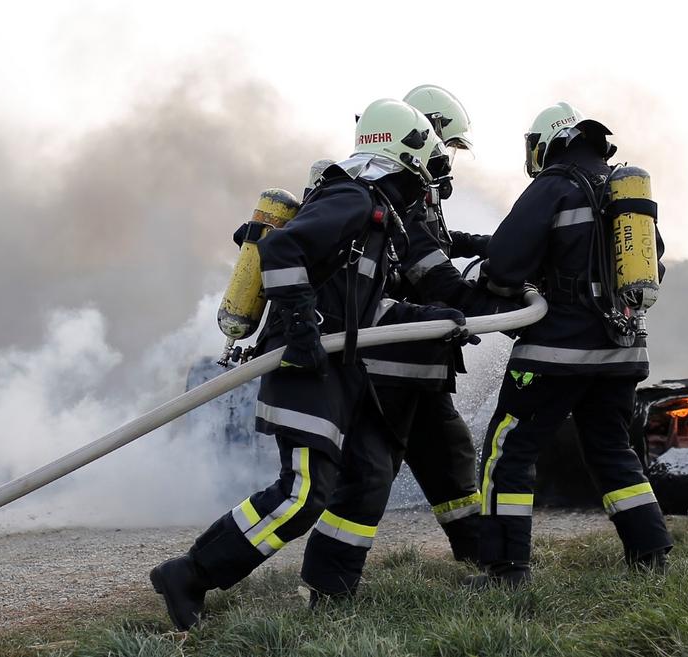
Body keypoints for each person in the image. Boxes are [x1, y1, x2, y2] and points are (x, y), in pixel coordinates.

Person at [149, 99, 467, 631]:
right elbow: (283, 250)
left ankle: (331, 593)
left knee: (360, 474)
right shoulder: (352, 196)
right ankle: (189, 574)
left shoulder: (376, 222)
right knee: (302, 494)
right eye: (421, 174)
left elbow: (359, 312)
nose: (422, 189)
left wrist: (438, 317)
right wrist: (299, 327)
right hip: (304, 364)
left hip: (335, 367)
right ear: (404, 155)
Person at [466, 102, 672, 588]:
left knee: (508, 450)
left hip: (556, 354)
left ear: (547, 144)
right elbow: (651, 268)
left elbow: (506, 263)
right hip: (622, 352)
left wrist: (492, 285)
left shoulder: (553, 186)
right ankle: (651, 557)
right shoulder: (623, 193)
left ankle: (505, 571)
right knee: (612, 450)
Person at [300, 85, 494, 600]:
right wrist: (469, 298)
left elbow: (440, 246)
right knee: (368, 477)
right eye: (443, 147)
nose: (447, 161)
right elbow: (426, 267)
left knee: (449, 455)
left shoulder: (406, 196)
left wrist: (495, 252)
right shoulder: (383, 197)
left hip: (419, 360)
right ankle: (328, 587)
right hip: (384, 361)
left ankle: (485, 556)